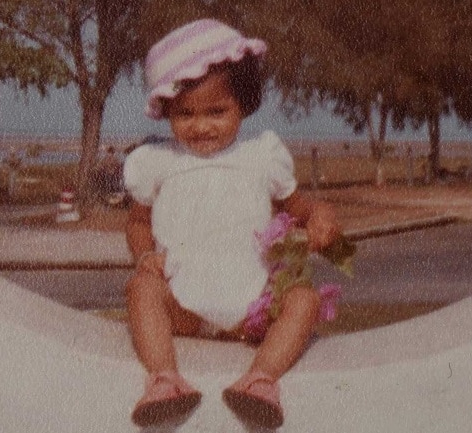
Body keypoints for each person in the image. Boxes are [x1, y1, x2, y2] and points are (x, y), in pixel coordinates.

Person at [123, 19, 341, 428]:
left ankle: (260, 380)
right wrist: (145, 255)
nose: (201, 125)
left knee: (304, 300)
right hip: (181, 306)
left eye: (217, 111)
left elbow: (298, 207)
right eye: (185, 114)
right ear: (167, 110)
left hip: (253, 310)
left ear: (242, 104)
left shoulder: (261, 155)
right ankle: (164, 379)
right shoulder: (158, 162)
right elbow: (137, 222)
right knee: (139, 289)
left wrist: (320, 215)